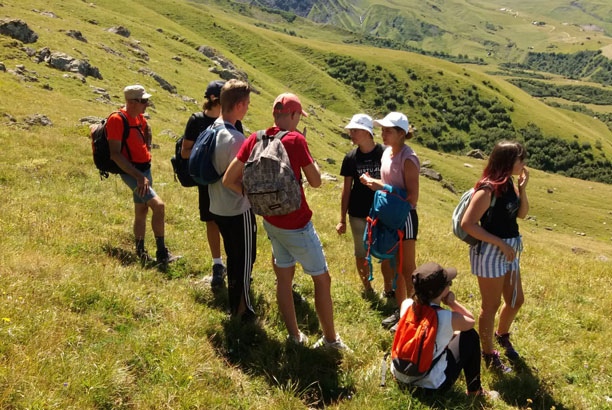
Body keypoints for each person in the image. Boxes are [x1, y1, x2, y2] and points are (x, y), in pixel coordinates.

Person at [224, 93, 349, 350]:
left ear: (274, 114)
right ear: (292, 115)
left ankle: (294, 336)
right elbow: (315, 181)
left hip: (271, 222)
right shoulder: (295, 139)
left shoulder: (255, 138)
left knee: (283, 278)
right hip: (298, 223)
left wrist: (258, 198)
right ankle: (331, 340)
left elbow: (228, 179)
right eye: (297, 116)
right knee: (322, 280)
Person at [460, 140, 529, 373]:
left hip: (509, 249)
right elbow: (468, 224)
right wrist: (499, 242)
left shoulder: (508, 183)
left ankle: (502, 334)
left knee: (515, 300)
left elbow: (522, 214)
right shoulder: (487, 189)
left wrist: (523, 189)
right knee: (490, 306)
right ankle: (488, 354)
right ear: (509, 161)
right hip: (490, 251)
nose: (524, 163)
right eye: (521, 159)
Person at [391, 262, 499, 400]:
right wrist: (452, 303)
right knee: (470, 336)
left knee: (453, 334)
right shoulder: (445, 317)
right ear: (442, 290)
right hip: (431, 388)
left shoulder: (407, 306)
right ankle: (475, 391)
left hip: (401, 379)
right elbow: (470, 321)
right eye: (449, 284)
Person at [180, 80, 243, 288]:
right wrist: (207, 152)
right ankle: (218, 263)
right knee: (211, 221)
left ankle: (234, 266)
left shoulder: (234, 122)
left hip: (226, 182)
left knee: (228, 224)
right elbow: (185, 152)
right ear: (216, 99)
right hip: (207, 181)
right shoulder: (197, 120)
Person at [360, 112, 419, 329]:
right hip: (387, 216)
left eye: (388, 131)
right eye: (382, 130)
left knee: (406, 267)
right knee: (393, 264)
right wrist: (376, 184)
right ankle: (401, 309)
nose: (382, 134)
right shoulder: (387, 154)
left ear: (401, 134)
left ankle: (412, 313)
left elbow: (413, 196)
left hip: (405, 218)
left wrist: (379, 186)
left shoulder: (408, 158)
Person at [108, 85, 179, 265]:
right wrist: (138, 176)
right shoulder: (117, 120)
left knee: (141, 210)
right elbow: (114, 154)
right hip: (133, 173)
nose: (147, 104)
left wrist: (147, 150)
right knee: (159, 206)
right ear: (131, 102)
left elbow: (146, 133)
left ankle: (140, 253)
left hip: (144, 170)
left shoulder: (139, 118)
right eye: (143, 101)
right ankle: (162, 253)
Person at [204, 79, 256, 321]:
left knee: (235, 256)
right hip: (237, 209)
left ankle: (237, 305)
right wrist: (252, 196)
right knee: (243, 261)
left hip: (217, 206)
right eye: (246, 104)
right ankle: (241, 311)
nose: (247, 108)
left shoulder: (213, 128)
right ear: (238, 105)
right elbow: (233, 179)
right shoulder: (236, 139)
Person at [336, 114, 394, 298]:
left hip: (383, 213)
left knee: (386, 253)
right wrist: (342, 219)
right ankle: (368, 289)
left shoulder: (386, 153)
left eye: (355, 131)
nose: (351, 134)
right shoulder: (350, 157)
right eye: (351, 131)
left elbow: (392, 183)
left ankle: (388, 289)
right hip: (358, 213)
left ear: (367, 132)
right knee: (361, 253)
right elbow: (346, 190)